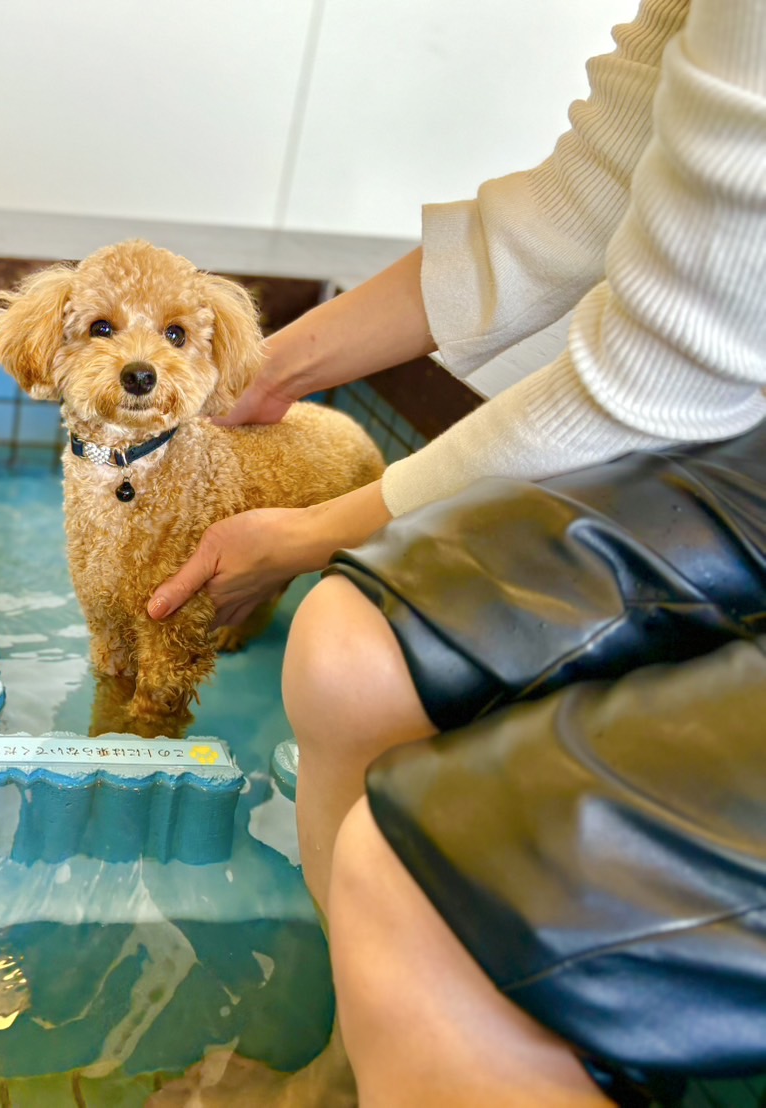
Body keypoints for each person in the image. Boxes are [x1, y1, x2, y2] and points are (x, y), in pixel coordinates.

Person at [143, 0, 766, 1103]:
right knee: (346, 652)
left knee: (424, 879)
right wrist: (271, 368)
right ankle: (358, 1061)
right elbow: (581, 197)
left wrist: (308, 533)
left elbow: (651, 382)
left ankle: (416, 1023)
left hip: (707, 401)